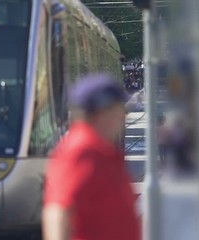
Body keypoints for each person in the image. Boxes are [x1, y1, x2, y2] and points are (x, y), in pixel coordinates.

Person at [43, 73, 141, 240]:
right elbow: (58, 211)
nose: (123, 116)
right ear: (103, 112)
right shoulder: (81, 151)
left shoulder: (100, 150)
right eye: (120, 109)